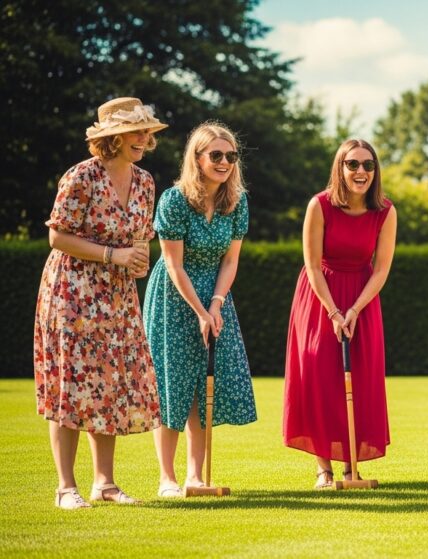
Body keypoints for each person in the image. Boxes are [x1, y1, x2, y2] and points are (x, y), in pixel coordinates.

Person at [35, 97, 166, 509]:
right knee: (71, 386)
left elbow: (140, 238)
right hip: (72, 292)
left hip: (116, 295)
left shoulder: (145, 181)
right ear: (112, 138)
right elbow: (57, 237)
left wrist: (139, 258)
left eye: (147, 131)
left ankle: (105, 484)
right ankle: (66, 488)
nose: (144, 138)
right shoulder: (81, 176)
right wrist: (113, 256)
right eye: (136, 131)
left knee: (109, 384)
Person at [144, 122, 257, 497]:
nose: (224, 162)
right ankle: (167, 478)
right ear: (197, 158)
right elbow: (173, 265)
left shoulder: (236, 202)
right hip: (175, 297)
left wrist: (217, 304)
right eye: (216, 155)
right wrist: (199, 310)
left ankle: (194, 476)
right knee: (173, 383)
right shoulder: (174, 201)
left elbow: (230, 261)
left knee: (202, 388)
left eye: (230, 156)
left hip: (215, 295)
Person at [283, 139, 397, 488]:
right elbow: (313, 265)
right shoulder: (319, 206)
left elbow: (380, 270)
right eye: (353, 164)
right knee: (319, 375)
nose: (360, 171)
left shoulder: (385, 211)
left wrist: (355, 310)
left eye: (368, 165)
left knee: (360, 379)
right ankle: (324, 469)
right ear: (340, 167)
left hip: (362, 298)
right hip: (321, 298)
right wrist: (334, 312)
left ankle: (351, 469)